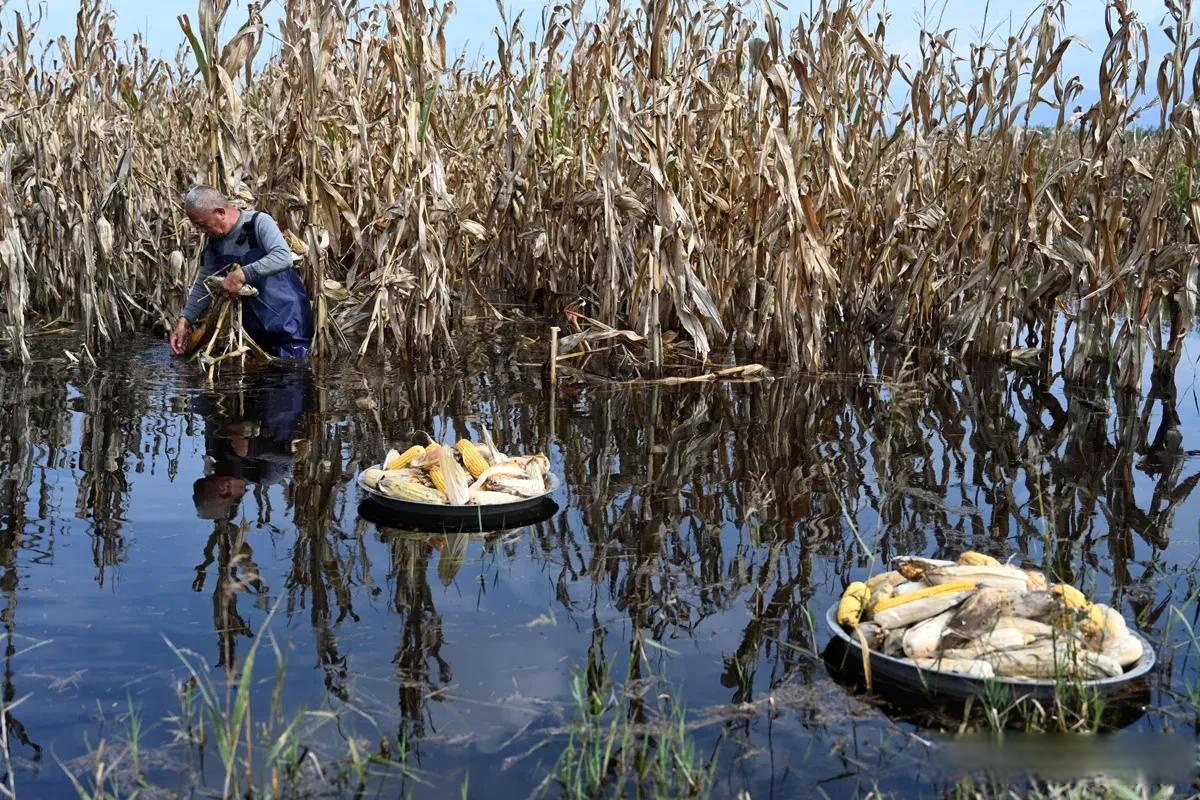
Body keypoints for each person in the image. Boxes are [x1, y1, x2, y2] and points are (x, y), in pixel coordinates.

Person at [168, 185, 314, 359]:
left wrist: (241, 274)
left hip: (288, 322)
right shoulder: (214, 243)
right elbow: (203, 283)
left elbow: (283, 257)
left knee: (292, 375)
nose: (200, 231)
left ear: (220, 212)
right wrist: (184, 321)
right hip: (254, 332)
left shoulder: (258, 222)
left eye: (202, 224)